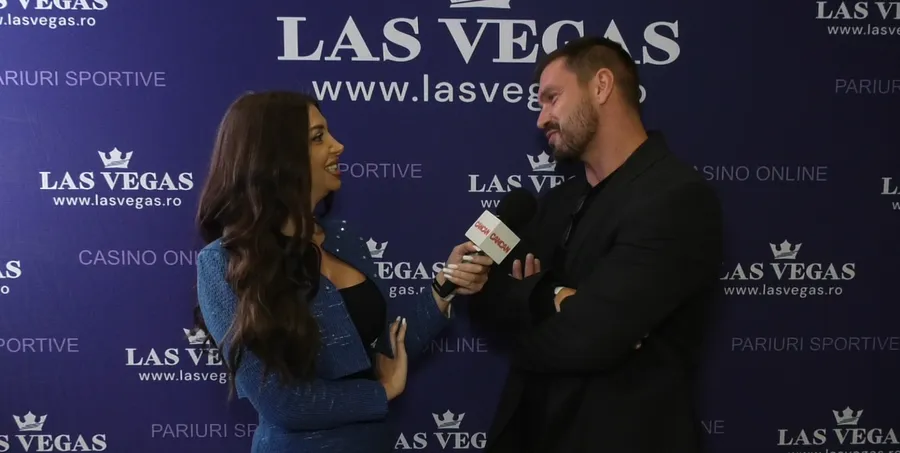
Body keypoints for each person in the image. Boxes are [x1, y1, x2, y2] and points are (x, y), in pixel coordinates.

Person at [189, 91, 492, 453]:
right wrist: (380, 392)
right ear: (275, 156)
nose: (339, 146)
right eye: (318, 137)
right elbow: (283, 403)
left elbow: (387, 353)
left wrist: (445, 286)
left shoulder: (345, 238)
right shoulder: (223, 263)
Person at [467, 36, 724, 453]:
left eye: (552, 98)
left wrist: (533, 299)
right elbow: (483, 299)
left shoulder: (677, 198)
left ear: (601, 86)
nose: (541, 119)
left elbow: (592, 337)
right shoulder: (555, 202)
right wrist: (558, 299)